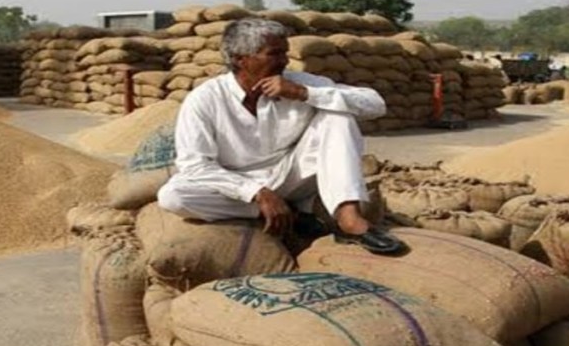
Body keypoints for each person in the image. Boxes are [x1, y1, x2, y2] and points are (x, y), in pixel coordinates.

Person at [156, 17, 406, 255]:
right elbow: (194, 165)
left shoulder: (297, 83)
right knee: (173, 197)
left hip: (292, 174)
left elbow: (375, 104)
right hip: (238, 184)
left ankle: (349, 219)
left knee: (338, 114)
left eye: (285, 52)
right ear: (241, 59)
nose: (285, 61)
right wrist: (256, 192)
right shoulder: (205, 99)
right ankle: (293, 216)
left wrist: (304, 93)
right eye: (274, 53)